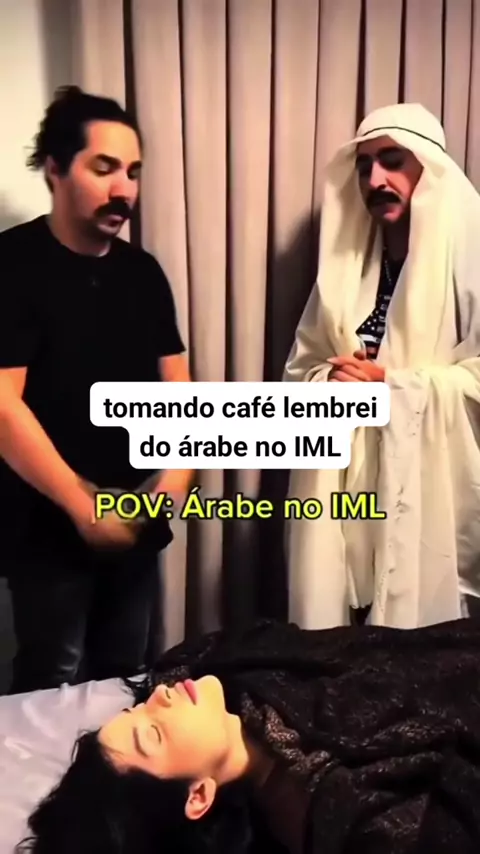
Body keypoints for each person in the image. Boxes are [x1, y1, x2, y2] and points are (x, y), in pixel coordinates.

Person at [0, 86, 192, 693]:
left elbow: (181, 396)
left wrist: (166, 493)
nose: (124, 190)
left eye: (132, 172)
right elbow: (3, 405)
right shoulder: (13, 263)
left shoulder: (143, 273)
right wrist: (85, 508)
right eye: (104, 168)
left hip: (136, 524)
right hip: (47, 530)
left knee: (125, 681)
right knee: (50, 686)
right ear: (55, 169)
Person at [16, 616, 480, 854]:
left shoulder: (208, 676)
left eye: (134, 709)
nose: (158, 697)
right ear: (198, 796)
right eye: (152, 734)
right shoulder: (357, 816)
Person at [283, 102, 480, 631]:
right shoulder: (349, 266)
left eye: (392, 161)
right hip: (347, 492)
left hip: (428, 496)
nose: (375, 180)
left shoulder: (471, 256)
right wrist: (330, 379)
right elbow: (303, 366)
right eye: (364, 166)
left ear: (428, 169)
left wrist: (392, 387)